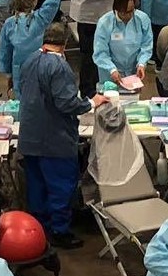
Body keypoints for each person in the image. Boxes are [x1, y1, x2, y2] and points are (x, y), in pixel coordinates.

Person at [19, 23, 109, 249]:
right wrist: (91, 102)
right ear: (65, 44)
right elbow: (67, 103)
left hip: (30, 136)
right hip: (54, 140)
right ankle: (59, 231)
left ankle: (39, 230)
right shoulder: (58, 67)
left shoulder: (30, 60)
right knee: (60, 186)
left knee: (37, 186)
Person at [0, 0, 64, 98]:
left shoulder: (9, 24)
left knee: (22, 101)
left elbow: (5, 52)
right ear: (35, 2)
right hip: (41, 68)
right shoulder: (40, 19)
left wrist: (8, 73)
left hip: (19, 70)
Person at [93, 0, 152, 87]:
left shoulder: (142, 19)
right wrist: (111, 69)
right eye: (125, 12)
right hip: (110, 73)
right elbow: (100, 53)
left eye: (131, 11)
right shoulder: (104, 23)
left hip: (133, 73)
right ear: (117, 10)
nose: (129, 16)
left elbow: (146, 46)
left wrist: (141, 63)